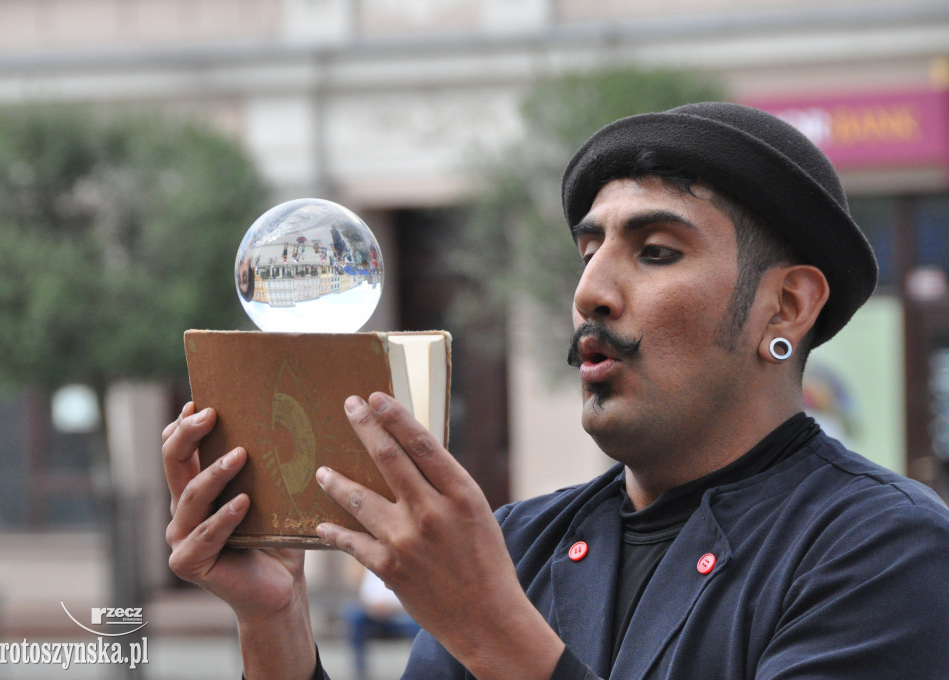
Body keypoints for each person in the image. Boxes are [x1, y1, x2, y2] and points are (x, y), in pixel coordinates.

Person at [162, 102, 949, 680]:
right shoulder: (513, 545)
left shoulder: (883, 551)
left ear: (785, 307)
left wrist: (491, 628)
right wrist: (274, 624)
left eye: (658, 252)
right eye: (588, 251)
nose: (590, 293)